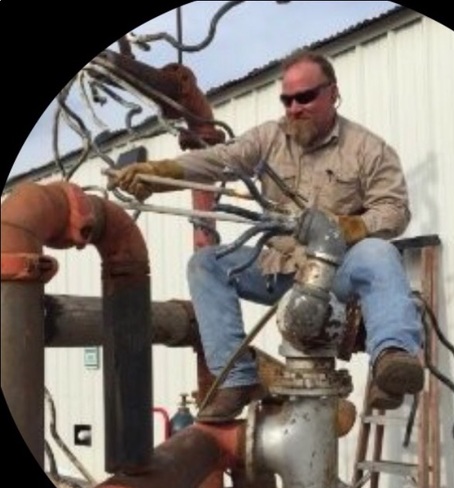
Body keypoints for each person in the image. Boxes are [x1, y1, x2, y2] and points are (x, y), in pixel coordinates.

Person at [110, 50, 424, 422]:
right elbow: (219, 159)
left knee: (378, 253)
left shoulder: (368, 148)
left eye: (305, 97)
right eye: (287, 100)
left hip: (335, 273)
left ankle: (391, 358)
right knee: (206, 264)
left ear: (333, 93)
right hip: (279, 270)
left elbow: (394, 210)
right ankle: (236, 379)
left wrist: (350, 226)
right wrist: (161, 173)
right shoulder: (269, 138)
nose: (294, 108)